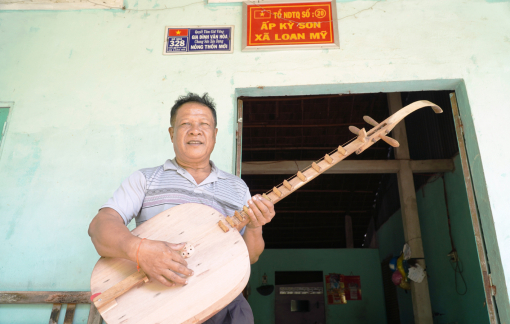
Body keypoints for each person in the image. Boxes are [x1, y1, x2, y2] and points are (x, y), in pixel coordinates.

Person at [88, 93, 275, 323]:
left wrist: (255, 227)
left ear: (215, 135)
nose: (195, 130)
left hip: (223, 305)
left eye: (204, 124)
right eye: (185, 124)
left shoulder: (237, 187)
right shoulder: (145, 179)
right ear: (171, 133)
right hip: (159, 306)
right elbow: (99, 227)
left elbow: (251, 256)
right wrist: (139, 250)